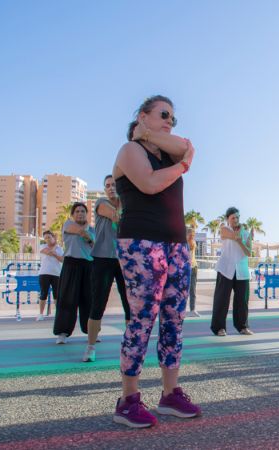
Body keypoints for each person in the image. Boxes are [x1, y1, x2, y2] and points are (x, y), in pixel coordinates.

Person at [112, 95, 200, 428]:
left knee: (174, 321)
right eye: (163, 115)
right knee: (143, 320)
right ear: (142, 115)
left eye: (173, 118)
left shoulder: (166, 149)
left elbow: (188, 146)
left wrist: (153, 135)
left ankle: (169, 393)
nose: (170, 121)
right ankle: (128, 399)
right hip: (140, 243)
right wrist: (182, 166)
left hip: (176, 246)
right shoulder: (129, 152)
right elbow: (149, 184)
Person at [83, 175, 129, 363]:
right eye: (107, 186)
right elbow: (116, 216)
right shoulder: (102, 203)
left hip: (124, 260)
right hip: (102, 259)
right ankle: (90, 347)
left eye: (114, 185)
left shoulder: (127, 203)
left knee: (129, 304)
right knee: (98, 304)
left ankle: (130, 345)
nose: (111, 188)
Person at [53, 202, 94, 345]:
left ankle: (91, 332)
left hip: (88, 266)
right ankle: (62, 332)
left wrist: (89, 236)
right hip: (71, 264)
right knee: (66, 299)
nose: (80, 213)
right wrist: (87, 236)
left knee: (89, 300)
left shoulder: (93, 230)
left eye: (83, 211)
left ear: (86, 213)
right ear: (72, 214)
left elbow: (96, 245)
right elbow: (84, 235)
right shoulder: (68, 225)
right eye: (77, 211)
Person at [211, 207, 253, 336]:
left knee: (242, 300)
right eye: (233, 218)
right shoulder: (224, 228)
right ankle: (219, 328)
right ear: (228, 219)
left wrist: (241, 241)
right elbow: (228, 235)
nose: (236, 220)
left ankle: (242, 327)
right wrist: (239, 237)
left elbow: (248, 252)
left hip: (242, 271)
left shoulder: (245, 233)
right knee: (222, 299)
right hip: (225, 268)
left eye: (237, 217)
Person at [37, 230, 63, 321]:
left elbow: (62, 260)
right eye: (45, 238)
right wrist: (54, 249)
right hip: (44, 273)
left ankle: (58, 314)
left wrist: (55, 252)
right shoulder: (42, 246)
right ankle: (41, 314)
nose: (47, 239)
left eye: (49, 237)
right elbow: (48, 252)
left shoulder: (60, 248)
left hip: (56, 274)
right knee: (43, 293)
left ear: (53, 237)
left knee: (57, 294)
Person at [186, 227, 200, 317]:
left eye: (193, 234)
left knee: (193, 290)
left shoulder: (193, 243)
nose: (192, 236)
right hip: (185, 268)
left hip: (193, 267)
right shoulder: (183, 243)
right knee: (184, 291)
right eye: (190, 234)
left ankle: (192, 309)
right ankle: (182, 310)